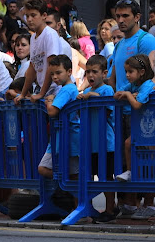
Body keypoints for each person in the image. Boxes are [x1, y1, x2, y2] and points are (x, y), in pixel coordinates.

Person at [75, 54, 116, 222]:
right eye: (88, 72)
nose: (91, 75)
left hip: (105, 143)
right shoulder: (87, 92)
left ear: (104, 73)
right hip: (90, 143)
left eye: (95, 72)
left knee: (106, 176)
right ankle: (88, 207)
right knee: (89, 175)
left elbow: (107, 108)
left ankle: (110, 209)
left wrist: (90, 97)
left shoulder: (106, 89)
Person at [114, 54, 155, 218]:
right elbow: (120, 92)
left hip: (149, 130)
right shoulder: (135, 84)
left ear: (142, 71)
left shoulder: (146, 85)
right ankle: (130, 172)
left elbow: (137, 104)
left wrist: (129, 96)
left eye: (130, 71)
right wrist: (124, 93)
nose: (127, 75)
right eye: (126, 71)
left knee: (150, 163)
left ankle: (150, 204)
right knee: (128, 145)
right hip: (142, 130)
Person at [37, 55, 80, 179]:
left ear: (69, 72)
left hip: (67, 137)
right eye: (52, 74)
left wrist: (49, 101)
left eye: (58, 73)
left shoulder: (67, 89)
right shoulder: (68, 89)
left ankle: (63, 178)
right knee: (73, 175)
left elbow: (52, 111)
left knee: (44, 169)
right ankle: (64, 179)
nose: (55, 77)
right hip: (65, 137)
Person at [17, 0, 61, 103]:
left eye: (33, 15)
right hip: (44, 90)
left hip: (56, 89)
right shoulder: (33, 38)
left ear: (44, 16)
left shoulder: (50, 34)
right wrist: (22, 94)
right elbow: (32, 67)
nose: (29, 19)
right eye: (27, 16)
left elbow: (52, 65)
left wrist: (41, 93)